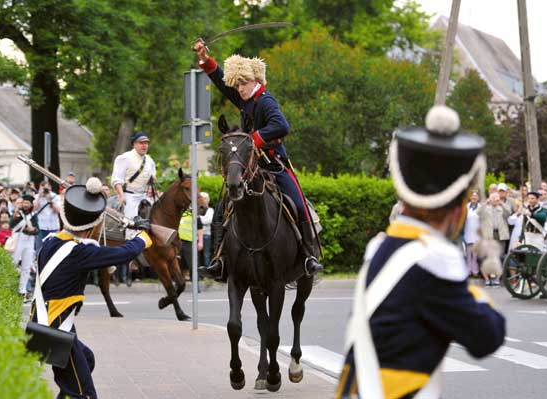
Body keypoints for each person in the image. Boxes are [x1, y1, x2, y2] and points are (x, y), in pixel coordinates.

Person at [336, 105, 505, 398]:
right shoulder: (434, 259)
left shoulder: (382, 246)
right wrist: (475, 293)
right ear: (455, 208)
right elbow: (487, 336)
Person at [193, 40, 323, 278]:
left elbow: (282, 126)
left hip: (273, 163)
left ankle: (308, 256)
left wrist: (252, 140)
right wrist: (204, 58)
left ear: (255, 80)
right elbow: (221, 82)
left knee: (298, 202)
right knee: (223, 206)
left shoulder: (266, 101)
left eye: (243, 83)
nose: (239, 88)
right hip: (250, 167)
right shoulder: (245, 98)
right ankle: (219, 259)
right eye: (238, 84)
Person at [32, 177, 152, 399]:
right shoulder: (80, 252)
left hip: (48, 323)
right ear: (94, 225)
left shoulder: (50, 241)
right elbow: (124, 253)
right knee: (84, 394)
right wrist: (143, 236)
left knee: (86, 361)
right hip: (56, 328)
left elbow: (90, 248)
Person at [111, 131, 157, 231]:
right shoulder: (124, 158)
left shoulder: (150, 160)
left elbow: (152, 179)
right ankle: (129, 239)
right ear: (134, 144)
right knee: (130, 224)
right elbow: (116, 180)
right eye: (141, 143)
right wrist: (121, 195)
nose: (144, 145)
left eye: (146, 143)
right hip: (129, 197)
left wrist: (151, 187)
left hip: (145, 196)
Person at [11, 194, 39, 301]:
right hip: (18, 239)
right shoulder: (18, 213)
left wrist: (33, 229)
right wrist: (15, 214)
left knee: (26, 267)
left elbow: (38, 230)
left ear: (31, 204)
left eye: (28, 203)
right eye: (24, 203)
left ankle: (22, 290)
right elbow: (11, 224)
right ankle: (11, 288)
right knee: (13, 263)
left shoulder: (34, 215)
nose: (26, 205)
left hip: (29, 241)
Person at [33, 181, 62, 254]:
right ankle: (39, 263)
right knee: (39, 248)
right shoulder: (36, 197)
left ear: (50, 188)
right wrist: (39, 196)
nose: (45, 190)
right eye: (43, 187)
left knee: (53, 248)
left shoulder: (55, 196)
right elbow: (33, 209)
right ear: (39, 188)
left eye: (46, 187)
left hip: (53, 226)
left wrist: (50, 200)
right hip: (40, 226)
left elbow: (59, 210)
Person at [178, 207, 204, 284]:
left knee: (192, 263)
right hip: (178, 242)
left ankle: (195, 283)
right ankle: (180, 281)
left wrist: (200, 242)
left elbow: (200, 229)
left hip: (190, 242)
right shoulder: (180, 213)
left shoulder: (195, 214)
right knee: (180, 262)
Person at [463, 190, 481, 277]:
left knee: (475, 255)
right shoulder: (466, 207)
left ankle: (475, 271)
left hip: (477, 234)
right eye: (472, 196)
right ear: (470, 198)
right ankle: (468, 271)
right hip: (467, 232)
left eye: (475, 196)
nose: (474, 197)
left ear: (478, 198)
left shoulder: (481, 208)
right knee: (468, 254)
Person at [199, 192, 214, 267]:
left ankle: (207, 270)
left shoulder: (210, 210)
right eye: (202, 198)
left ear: (207, 200)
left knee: (206, 254)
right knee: (197, 255)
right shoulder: (198, 210)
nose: (203, 200)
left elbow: (208, 221)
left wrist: (199, 220)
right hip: (197, 235)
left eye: (204, 198)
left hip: (206, 235)